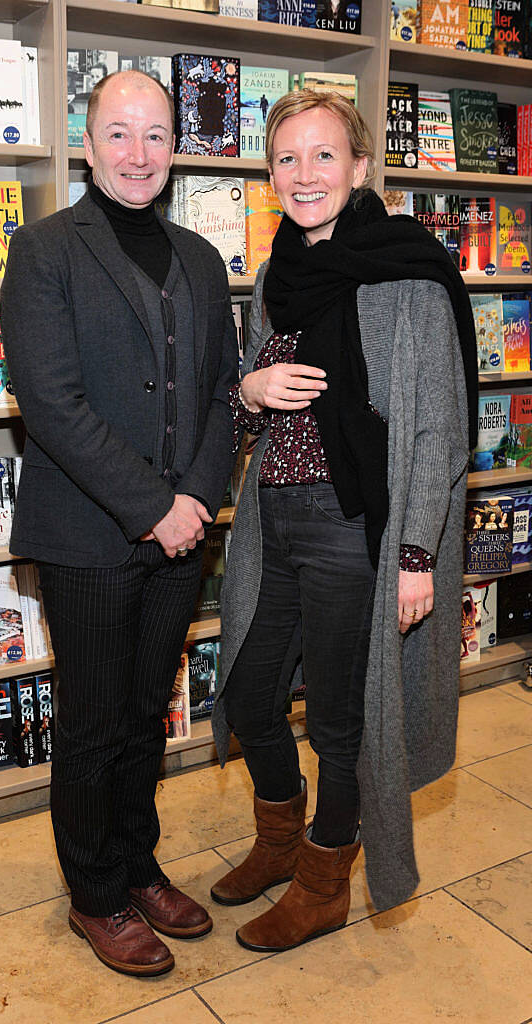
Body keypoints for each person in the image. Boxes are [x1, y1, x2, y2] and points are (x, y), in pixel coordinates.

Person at [211, 90, 478, 953]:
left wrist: (415, 557)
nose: (304, 174)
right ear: (271, 175)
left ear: (361, 166)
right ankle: (281, 840)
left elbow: (440, 425)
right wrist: (249, 392)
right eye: (287, 159)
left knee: (338, 718)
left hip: (355, 528)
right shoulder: (274, 275)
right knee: (249, 695)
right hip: (270, 523)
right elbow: (244, 400)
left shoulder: (408, 270)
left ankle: (326, 876)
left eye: (323, 155)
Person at [0, 70, 237, 977]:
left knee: (147, 713)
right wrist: (155, 507)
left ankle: (139, 865)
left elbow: (221, 391)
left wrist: (198, 503)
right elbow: (51, 405)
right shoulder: (45, 249)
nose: (138, 154)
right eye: (119, 133)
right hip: (91, 535)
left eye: (156, 135)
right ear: (88, 142)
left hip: (181, 535)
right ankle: (94, 893)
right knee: (95, 720)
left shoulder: (203, 258)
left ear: (175, 146)